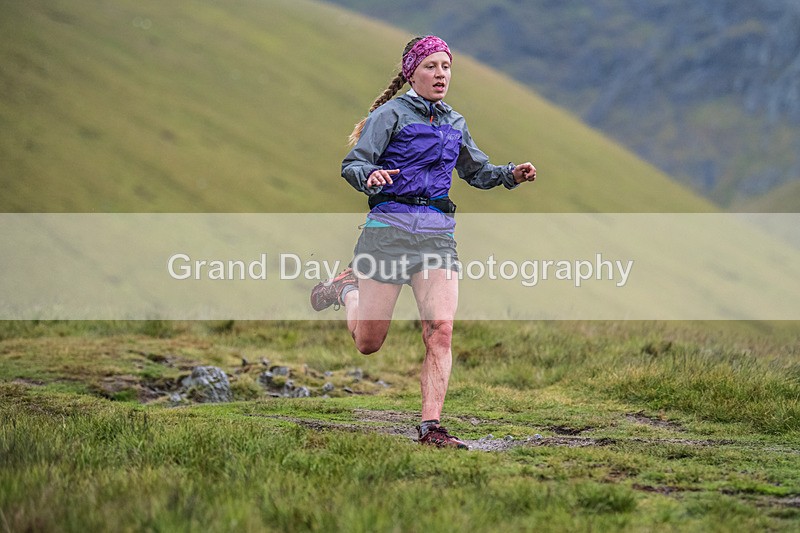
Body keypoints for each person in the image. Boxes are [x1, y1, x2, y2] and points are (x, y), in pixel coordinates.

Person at [311, 35, 537, 449]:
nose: (440, 74)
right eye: (431, 66)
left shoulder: (455, 122)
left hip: (437, 237)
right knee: (368, 343)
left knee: (440, 331)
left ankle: (431, 427)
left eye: (446, 67)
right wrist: (370, 175)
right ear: (411, 72)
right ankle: (346, 289)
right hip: (387, 233)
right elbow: (354, 163)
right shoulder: (390, 115)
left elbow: (476, 171)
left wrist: (510, 174)